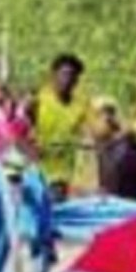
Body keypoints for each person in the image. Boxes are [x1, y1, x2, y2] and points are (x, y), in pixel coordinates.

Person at [33, 53, 92, 200]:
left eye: (74, 76)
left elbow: (90, 134)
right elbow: (16, 133)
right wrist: (30, 152)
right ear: (54, 75)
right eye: (65, 74)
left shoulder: (81, 106)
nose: (69, 80)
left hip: (66, 176)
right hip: (39, 174)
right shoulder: (37, 101)